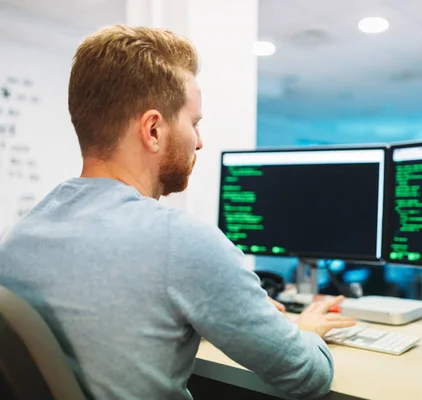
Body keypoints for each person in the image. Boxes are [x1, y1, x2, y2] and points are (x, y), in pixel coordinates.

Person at [0, 25, 355, 399]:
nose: (199, 141)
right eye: (194, 123)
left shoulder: (20, 237)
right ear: (153, 129)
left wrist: (226, 307)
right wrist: (306, 331)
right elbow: (306, 377)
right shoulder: (181, 241)